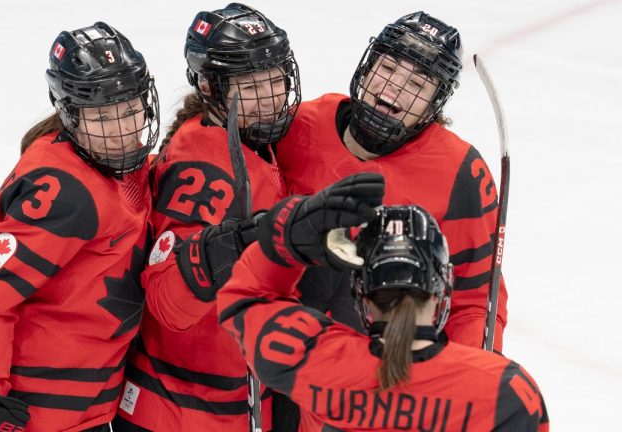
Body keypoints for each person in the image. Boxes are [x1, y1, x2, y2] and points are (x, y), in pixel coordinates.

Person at [0, 22, 159, 432]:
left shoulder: (125, 168)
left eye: (130, 110)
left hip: (87, 410)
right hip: (29, 417)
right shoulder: (68, 192)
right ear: (70, 115)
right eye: (101, 116)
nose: (121, 131)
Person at [216, 189, 549, 431]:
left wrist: (289, 236)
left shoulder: (315, 360)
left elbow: (244, 297)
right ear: (441, 285)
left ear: (361, 288)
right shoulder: (505, 391)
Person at [112, 3, 300, 431]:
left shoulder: (252, 143)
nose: (270, 97)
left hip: (224, 405)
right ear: (213, 89)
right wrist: (218, 254)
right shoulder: (204, 166)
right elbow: (167, 304)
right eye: (251, 86)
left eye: (275, 79)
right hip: (181, 414)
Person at [275, 11, 508, 351]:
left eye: (417, 84)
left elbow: (475, 300)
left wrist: (470, 382)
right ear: (367, 68)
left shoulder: (461, 171)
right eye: (387, 68)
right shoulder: (298, 126)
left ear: (434, 103)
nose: (394, 87)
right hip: (280, 360)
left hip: (388, 381)